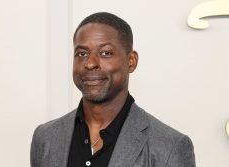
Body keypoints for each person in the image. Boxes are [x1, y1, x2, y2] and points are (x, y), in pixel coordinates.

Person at [30, 12, 196, 167]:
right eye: (81, 53)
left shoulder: (170, 147)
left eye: (105, 53)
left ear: (131, 61)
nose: (90, 63)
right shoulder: (45, 138)